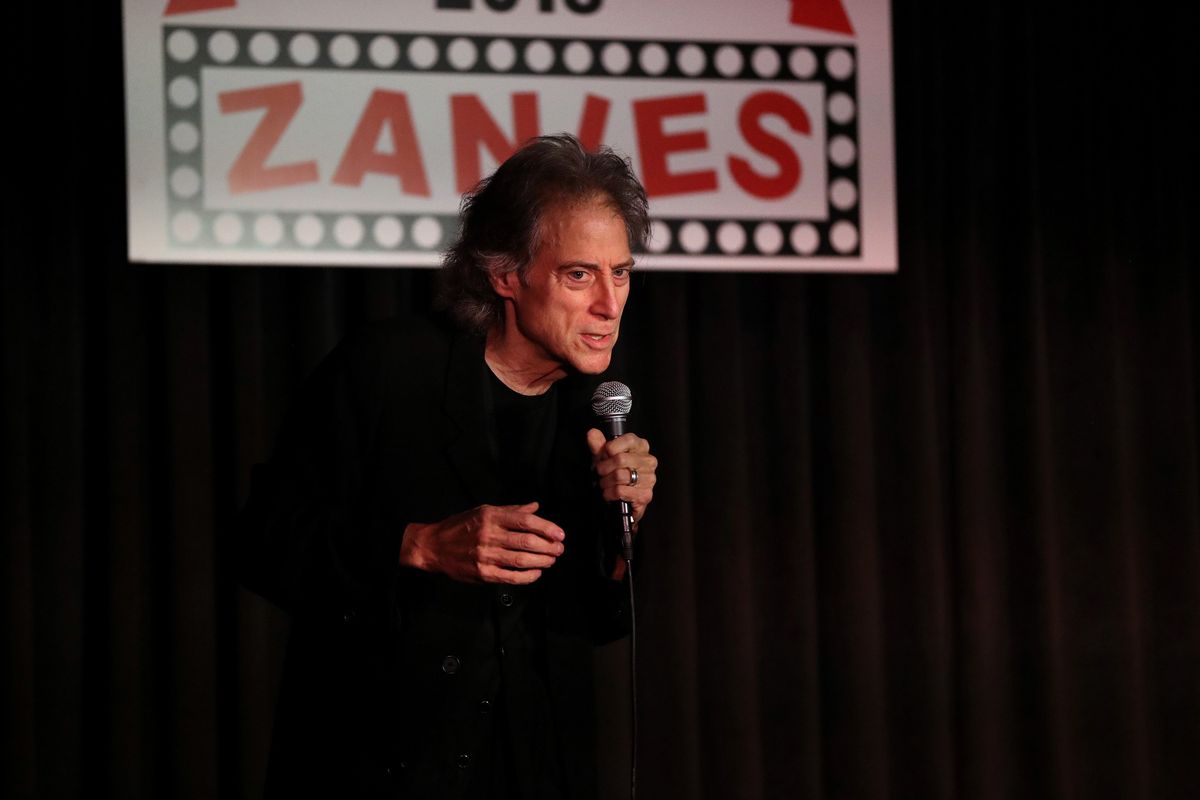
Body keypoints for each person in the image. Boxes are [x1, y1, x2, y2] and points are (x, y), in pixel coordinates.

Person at [238, 134, 659, 799]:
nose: (610, 304)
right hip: (374, 767)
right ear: (504, 274)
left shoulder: (600, 415)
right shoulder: (387, 369)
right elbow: (264, 539)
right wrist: (421, 545)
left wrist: (623, 528)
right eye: (579, 274)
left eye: (623, 272)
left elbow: (598, 621)